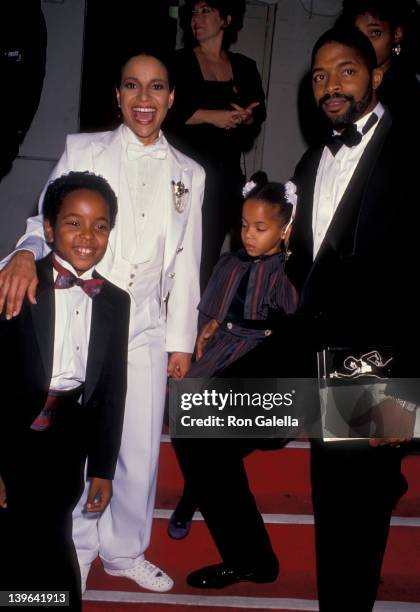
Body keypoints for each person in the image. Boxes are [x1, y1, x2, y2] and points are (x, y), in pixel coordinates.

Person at [221, 26, 420, 610]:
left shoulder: (411, 148)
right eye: (319, 76)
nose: (330, 85)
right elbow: (294, 262)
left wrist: (404, 390)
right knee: (201, 415)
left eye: (346, 71)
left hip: (376, 354)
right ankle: (253, 554)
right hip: (309, 342)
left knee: (347, 508)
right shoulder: (312, 161)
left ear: (377, 75)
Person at [0, 51, 205, 593]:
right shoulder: (81, 149)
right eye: (133, 86)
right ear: (117, 94)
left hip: (146, 326)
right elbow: (44, 216)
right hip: (88, 315)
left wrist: (181, 338)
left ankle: (126, 549)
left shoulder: (191, 174)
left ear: (171, 98)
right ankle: (77, 547)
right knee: (79, 440)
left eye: (157, 87)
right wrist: (23, 252)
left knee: (137, 442)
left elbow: (187, 259)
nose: (144, 99)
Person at [0, 171, 130, 611]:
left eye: (100, 225)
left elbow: (112, 389)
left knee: (52, 533)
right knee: (18, 542)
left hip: (67, 441)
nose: (88, 236)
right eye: (73, 223)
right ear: (49, 228)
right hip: (12, 436)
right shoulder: (19, 281)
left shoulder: (116, 300)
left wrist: (104, 468)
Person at [170, 171, 298, 583]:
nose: (248, 235)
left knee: (206, 442)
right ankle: (248, 554)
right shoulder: (229, 262)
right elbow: (211, 307)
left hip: (265, 370)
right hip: (222, 358)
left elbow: (296, 329)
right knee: (192, 430)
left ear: (285, 230)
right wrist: (206, 328)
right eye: (244, 225)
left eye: (260, 228)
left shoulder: (289, 272)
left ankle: (246, 551)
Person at [164, 0, 266, 289]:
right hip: (185, 176)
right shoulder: (178, 62)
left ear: (226, 19)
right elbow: (166, 110)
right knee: (182, 255)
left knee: (213, 256)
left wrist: (245, 119)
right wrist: (214, 117)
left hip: (226, 178)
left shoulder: (244, 67)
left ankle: (208, 321)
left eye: (206, 11)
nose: (197, 18)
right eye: (193, 13)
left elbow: (257, 113)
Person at [337, 0, 420, 118]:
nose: (364, 42)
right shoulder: (352, 82)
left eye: (375, 33)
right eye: (357, 34)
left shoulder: (405, 92)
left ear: (397, 34)